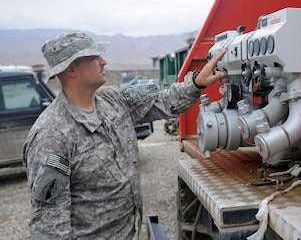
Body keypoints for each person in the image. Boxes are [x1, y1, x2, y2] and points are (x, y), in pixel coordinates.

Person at [22, 30, 226, 239]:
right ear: (72, 69)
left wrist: (197, 83)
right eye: (94, 57)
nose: (104, 61)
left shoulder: (114, 100)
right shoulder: (50, 137)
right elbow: (50, 227)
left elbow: (164, 101)